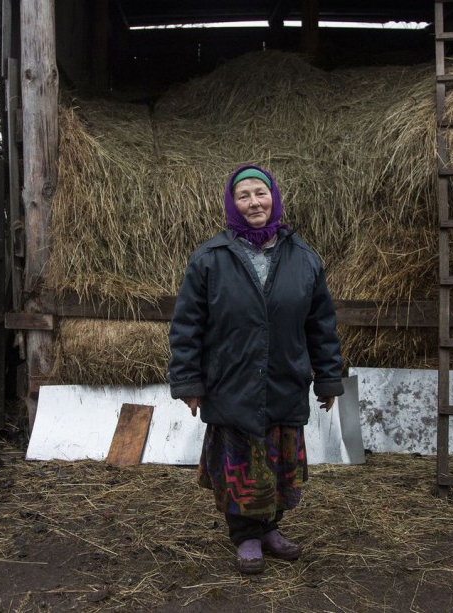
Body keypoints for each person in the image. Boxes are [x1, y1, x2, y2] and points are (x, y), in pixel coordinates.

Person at [168, 164, 344, 575]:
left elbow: (322, 325)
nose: (253, 202)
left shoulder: (303, 258)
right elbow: (187, 326)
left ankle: (270, 529)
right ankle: (245, 534)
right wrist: (188, 382)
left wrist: (329, 377)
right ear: (232, 204)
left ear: (274, 197)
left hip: (285, 379)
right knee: (241, 466)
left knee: (279, 465)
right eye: (243, 196)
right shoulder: (210, 258)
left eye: (259, 193)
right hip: (232, 383)